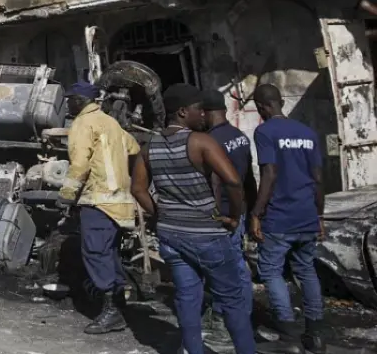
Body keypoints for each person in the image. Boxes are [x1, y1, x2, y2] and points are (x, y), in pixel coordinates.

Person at [131, 83, 254, 354]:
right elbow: (233, 181)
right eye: (199, 110)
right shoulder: (200, 142)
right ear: (183, 112)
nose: (203, 115)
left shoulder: (149, 147)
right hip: (206, 234)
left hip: (171, 235)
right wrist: (234, 216)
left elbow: (138, 189)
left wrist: (160, 213)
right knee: (232, 298)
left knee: (187, 297)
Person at [57, 80, 140, 334]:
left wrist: (67, 194)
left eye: (70, 98)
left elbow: (80, 164)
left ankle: (113, 311)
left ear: (81, 100)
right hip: (119, 200)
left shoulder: (83, 123)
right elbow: (134, 148)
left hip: (98, 199)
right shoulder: (110, 122)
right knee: (109, 252)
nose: (67, 103)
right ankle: (120, 305)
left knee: (95, 252)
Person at [251, 83, 326, 354]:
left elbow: (269, 173)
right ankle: (316, 336)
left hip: (280, 217)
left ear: (261, 106)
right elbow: (318, 179)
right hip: (306, 213)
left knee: (271, 271)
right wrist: (319, 214)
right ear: (281, 101)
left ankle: (288, 336)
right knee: (306, 270)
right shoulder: (307, 133)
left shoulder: (264, 132)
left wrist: (256, 212)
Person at [200, 90, 258, 342]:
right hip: (240, 210)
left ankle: (226, 319)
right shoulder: (240, 137)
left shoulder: (208, 141)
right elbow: (249, 180)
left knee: (225, 268)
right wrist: (254, 211)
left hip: (222, 214)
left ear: (204, 113)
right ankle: (241, 314)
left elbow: (214, 183)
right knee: (236, 263)